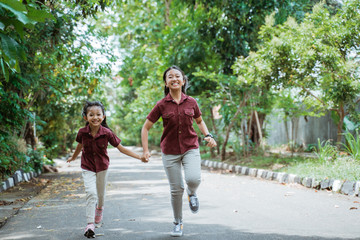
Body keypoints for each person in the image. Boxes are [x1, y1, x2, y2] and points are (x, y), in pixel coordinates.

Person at [141, 65, 217, 237]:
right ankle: (177, 222)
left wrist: (208, 135)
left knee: (193, 179)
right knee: (176, 190)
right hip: (170, 151)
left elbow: (199, 121)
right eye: (170, 77)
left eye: (177, 76)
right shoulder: (161, 105)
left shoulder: (192, 102)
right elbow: (145, 128)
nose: (174, 79)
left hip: (190, 147)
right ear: (166, 83)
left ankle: (192, 192)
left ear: (183, 81)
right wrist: (145, 151)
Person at [67, 101, 148, 238]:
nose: (95, 117)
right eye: (91, 115)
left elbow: (121, 149)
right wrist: (73, 157)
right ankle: (90, 224)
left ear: (103, 116)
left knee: (101, 196)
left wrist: (139, 157)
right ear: (85, 117)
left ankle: (100, 208)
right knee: (91, 193)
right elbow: (79, 146)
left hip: (102, 167)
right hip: (87, 166)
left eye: (98, 114)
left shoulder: (107, 133)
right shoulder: (82, 132)